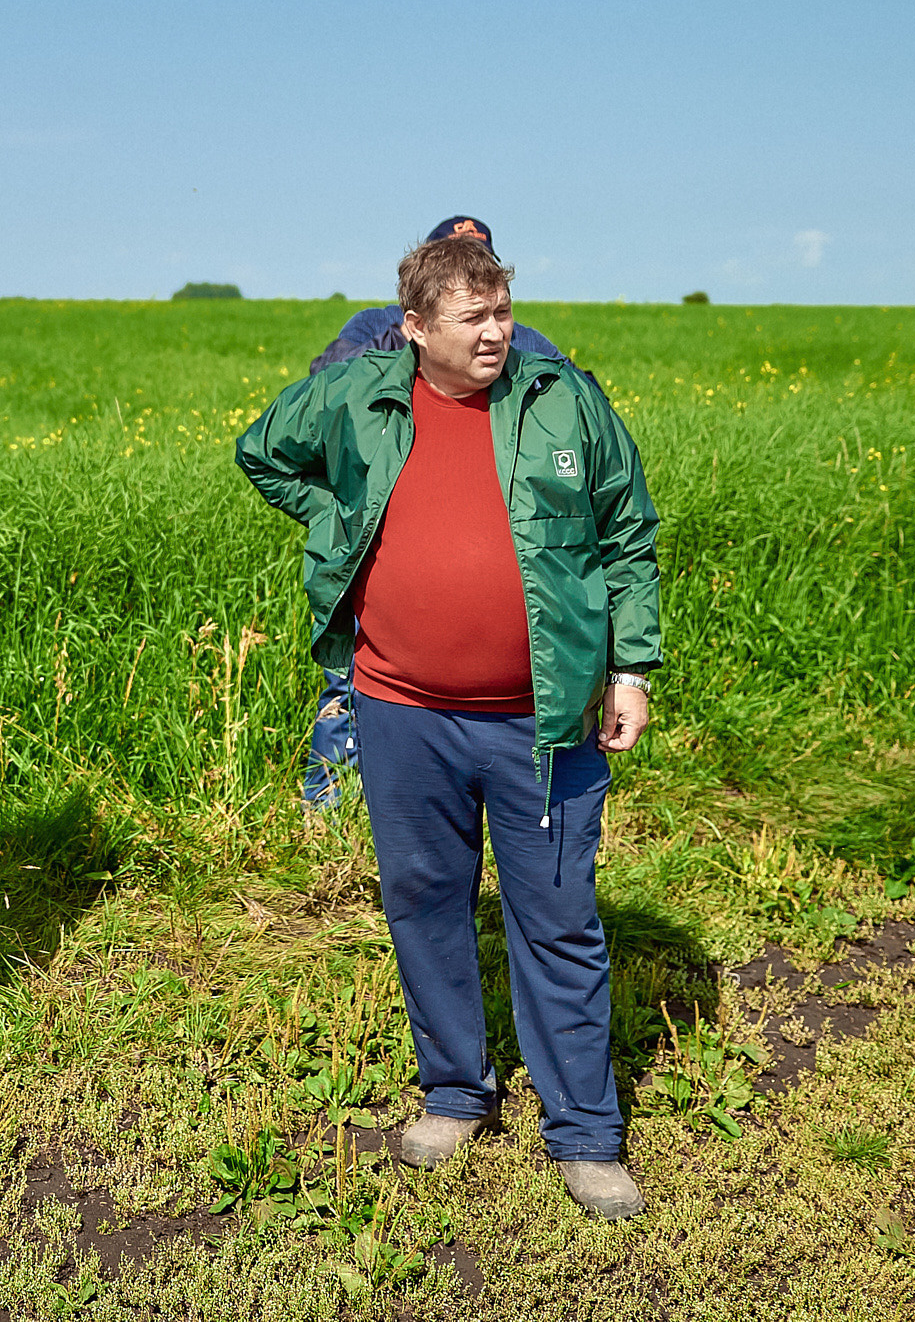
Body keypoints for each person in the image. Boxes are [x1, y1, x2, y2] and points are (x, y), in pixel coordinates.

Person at [235, 233, 662, 1220]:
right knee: (425, 902)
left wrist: (630, 665)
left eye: (503, 311)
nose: (496, 333)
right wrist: (338, 519)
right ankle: (456, 1094)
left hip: (542, 719)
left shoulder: (562, 399)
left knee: (555, 918)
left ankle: (586, 1135)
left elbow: (627, 532)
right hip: (400, 711)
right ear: (415, 329)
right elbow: (262, 453)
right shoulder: (357, 396)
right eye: (473, 319)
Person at [297, 215, 567, 809]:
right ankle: (328, 810)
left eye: (481, 263)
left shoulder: (527, 343)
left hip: (505, 556)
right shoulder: (377, 329)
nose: (488, 329)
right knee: (354, 680)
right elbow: (323, 412)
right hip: (379, 548)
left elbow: (580, 415)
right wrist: (339, 505)